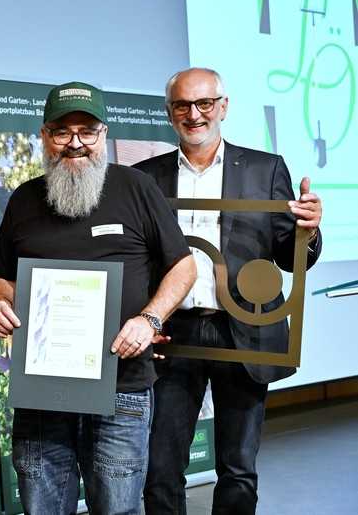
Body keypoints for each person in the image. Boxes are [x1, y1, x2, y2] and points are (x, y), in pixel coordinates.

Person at [0, 81, 197, 515]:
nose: (75, 143)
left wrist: (150, 319)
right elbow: (0, 278)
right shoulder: (24, 199)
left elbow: (184, 266)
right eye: (63, 132)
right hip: (42, 392)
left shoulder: (135, 188)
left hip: (122, 387)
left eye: (87, 131)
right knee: (43, 509)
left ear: (103, 135)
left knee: (118, 510)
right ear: (45, 136)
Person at [135, 67, 323, 515]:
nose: (194, 114)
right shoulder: (144, 178)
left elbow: (287, 255)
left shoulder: (265, 169)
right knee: (160, 469)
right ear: (169, 113)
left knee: (238, 468)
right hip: (172, 336)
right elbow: (136, 259)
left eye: (204, 104)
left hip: (245, 332)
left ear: (223, 107)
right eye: (182, 105)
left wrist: (308, 233)